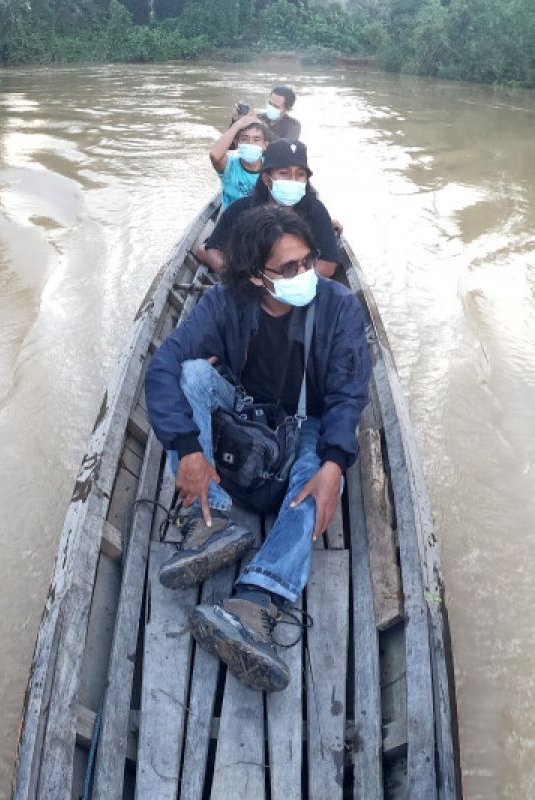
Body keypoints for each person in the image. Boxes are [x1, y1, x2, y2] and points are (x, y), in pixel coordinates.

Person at [144, 206, 371, 692]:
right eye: (288, 268)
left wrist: (334, 464)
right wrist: (187, 449)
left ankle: (256, 598)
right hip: (245, 410)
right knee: (192, 374)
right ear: (254, 276)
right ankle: (209, 523)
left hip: (306, 423)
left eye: (308, 261)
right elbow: (162, 366)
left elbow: (348, 397)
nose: (304, 274)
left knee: (319, 480)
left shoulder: (340, 308)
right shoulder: (225, 304)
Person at [195, 138, 341, 278]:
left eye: (300, 174)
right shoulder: (241, 210)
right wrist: (238, 278)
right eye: (284, 173)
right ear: (266, 179)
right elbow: (212, 250)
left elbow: (328, 264)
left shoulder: (316, 211)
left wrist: (291, 282)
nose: (293, 180)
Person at [211, 114, 270, 211]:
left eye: (256, 140)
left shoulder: (270, 169)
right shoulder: (229, 166)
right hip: (231, 220)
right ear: (237, 143)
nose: (250, 143)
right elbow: (215, 155)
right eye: (245, 139)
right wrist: (238, 124)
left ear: (265, 145)